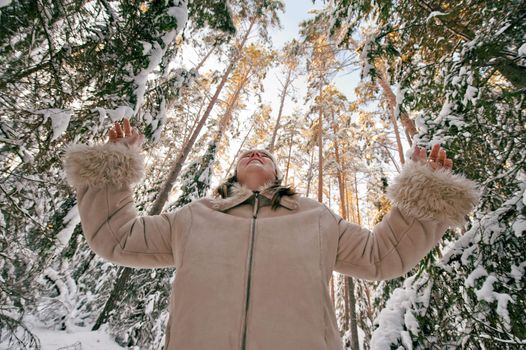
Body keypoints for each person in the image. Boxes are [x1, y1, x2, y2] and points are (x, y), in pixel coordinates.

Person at [63, 118, 480, 350]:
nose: (257, 153)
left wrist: (424, 197)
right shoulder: (194, 217)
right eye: (248, 153)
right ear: (235, 173)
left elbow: (382, 255)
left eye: (266, 154)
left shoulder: (316, 218)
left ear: (277, 174)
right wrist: (111, 168)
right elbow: (116, 237)